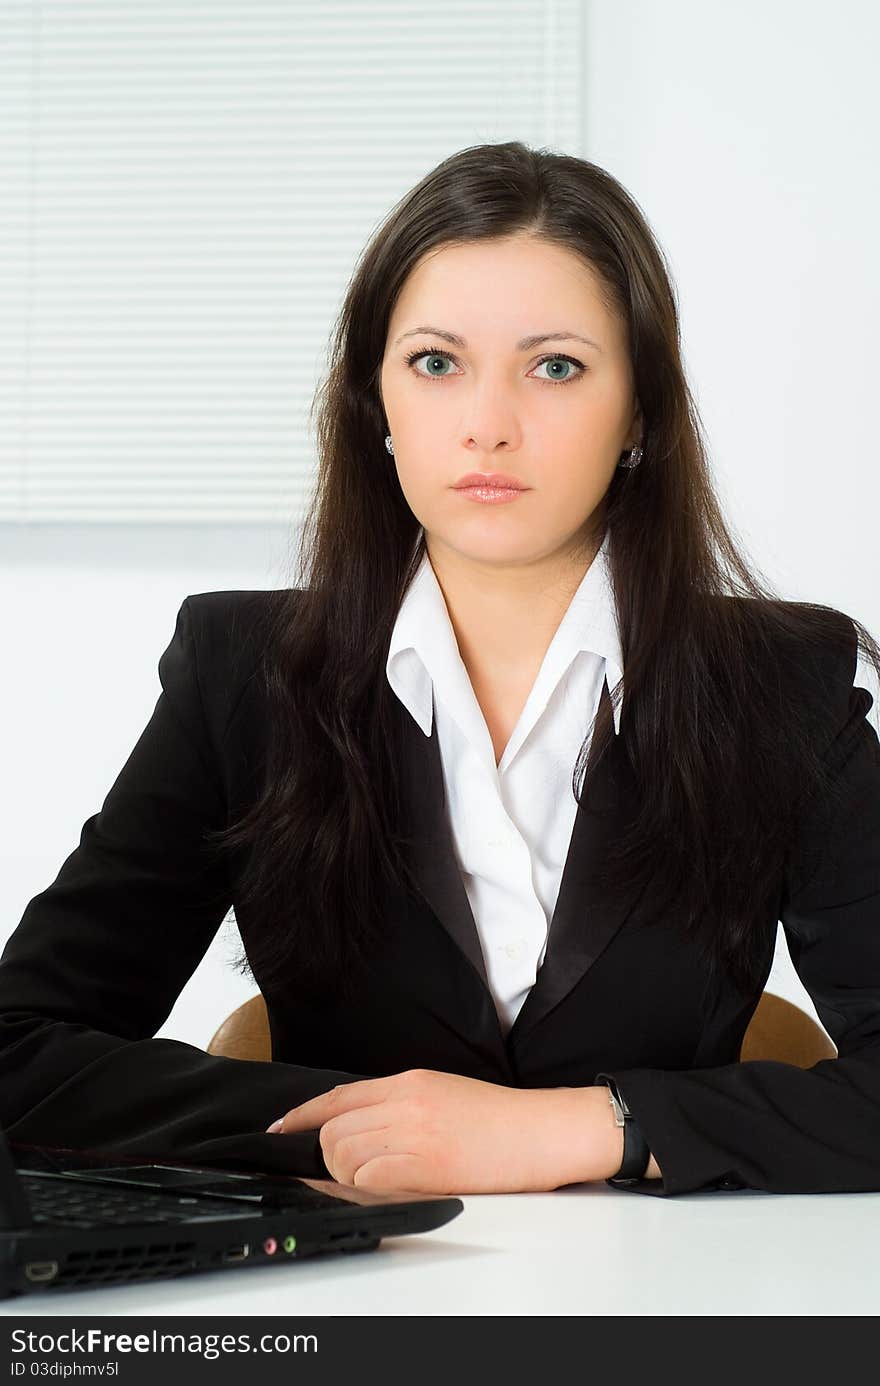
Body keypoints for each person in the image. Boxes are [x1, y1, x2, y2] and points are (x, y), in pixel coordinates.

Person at [2, 142, 879, 1199]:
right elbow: (20, 1051)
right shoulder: (242, 677)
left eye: (555, 366)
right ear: (373, 402)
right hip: (351, 1293)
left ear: (639, 410)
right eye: (434, 362)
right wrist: (346, 1130)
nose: (487, 425)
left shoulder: (782, 688)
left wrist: (585, 1130)